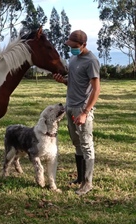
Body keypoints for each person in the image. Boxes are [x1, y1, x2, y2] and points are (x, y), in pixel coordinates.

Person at [53, 30, 100, 195]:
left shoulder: (91, 61)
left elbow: (96, 90)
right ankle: (80, 179)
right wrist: (63, 81)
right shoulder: (73, 59)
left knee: (86, 145)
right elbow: (74, 83)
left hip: (82, 108)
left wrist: (86, 112)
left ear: (84, 45)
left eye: (74, 46)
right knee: (77, 144)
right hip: (70, 107)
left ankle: (88, 183)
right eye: (70, 46)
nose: (71, 49)